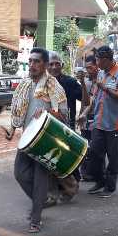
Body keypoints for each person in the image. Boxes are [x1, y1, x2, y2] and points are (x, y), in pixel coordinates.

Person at [5, 47, 68, 233]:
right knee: (20, 173)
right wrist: (11, 130)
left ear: (46, 65)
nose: (32, 65)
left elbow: (64, 114)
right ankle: (41, 201)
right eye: (30, 61)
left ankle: (36, 218)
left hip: (46, 139)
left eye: (36, 61)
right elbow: (18, 112)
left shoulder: (53, 85)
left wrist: (48, 111)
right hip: (27, 137)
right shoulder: (24, 84)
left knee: (40, 178)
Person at [86, 46, 118, 198]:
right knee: (94, 153)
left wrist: (105, 88)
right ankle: (100, 180)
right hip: (99, 122)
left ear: (105, 60)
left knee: (113, 157)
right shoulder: (100, 74)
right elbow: (95, 97)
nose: (96, 63)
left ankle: (110, 187)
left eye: (98, 60)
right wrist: (86, 113)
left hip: (115, 124)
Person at [46, 52, 80, 201]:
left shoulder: (70, 82)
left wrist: (84, 82)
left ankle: (71, 186)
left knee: (65, 159)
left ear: (62, 65)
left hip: (66, 127)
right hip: (47, 128)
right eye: (51, 64)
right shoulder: (42, 83)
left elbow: (85, 99)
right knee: (50, 159)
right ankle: (53, 190)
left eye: (57, 63)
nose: (54, 67)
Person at [76, 55, 99, 181]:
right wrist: (83, 83)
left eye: (90, 67)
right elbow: (85, 101)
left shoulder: (102, 79)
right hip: (86, 117)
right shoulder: (88, 81)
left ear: (97, 66)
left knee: (96, 147)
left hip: (98, 117)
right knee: (85, 145)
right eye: (86, 68)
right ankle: (85, 172)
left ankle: (95, 174)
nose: (88, 70)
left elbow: (94, 102)